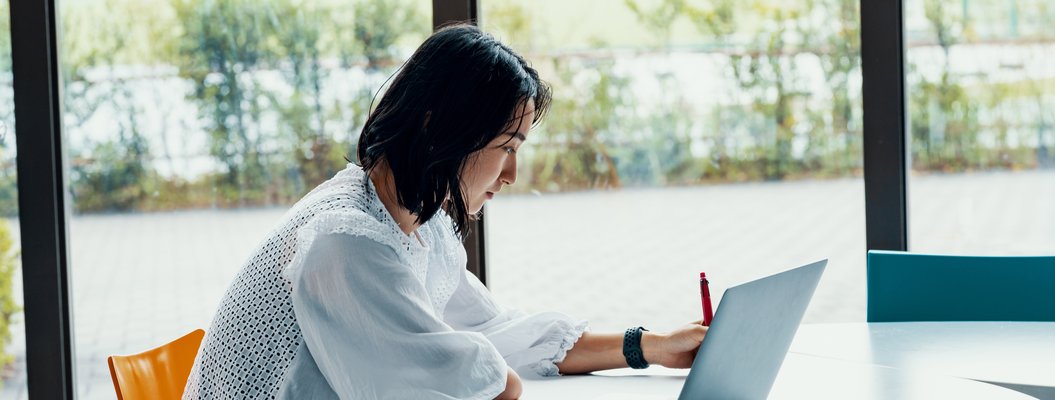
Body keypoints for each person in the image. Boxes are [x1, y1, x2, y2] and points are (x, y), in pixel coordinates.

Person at [183, 24, 708, 399]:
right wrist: (491, 373)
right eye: (507, 146)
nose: (512, 176)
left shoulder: (417, 222)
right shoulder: (347, 243)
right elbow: (482, 381)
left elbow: (497, 334)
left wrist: (653, 346)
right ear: (441, 127)